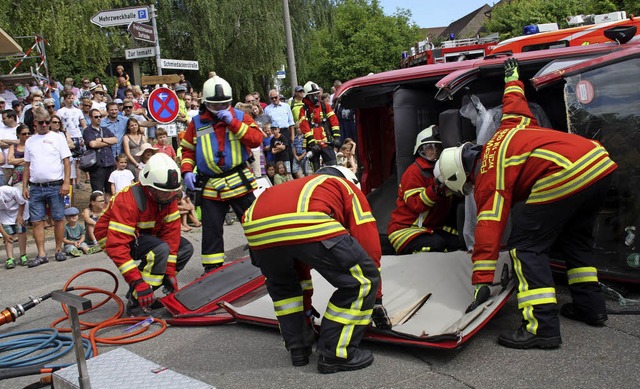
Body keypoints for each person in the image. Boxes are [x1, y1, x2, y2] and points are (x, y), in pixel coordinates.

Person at [434, 58, 618, 349]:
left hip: (565, 172)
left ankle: (541, 327)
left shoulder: (486, 172)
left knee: (526, 246)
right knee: (575, 241)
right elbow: (515, 104)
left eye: (462, 186)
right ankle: (591, 308)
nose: (469, 189)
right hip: (598, 162)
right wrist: (512, 78)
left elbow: (489, 226)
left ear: (459, 174)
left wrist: (482, 279)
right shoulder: (507, 129)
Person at [241, 166, 380, 373]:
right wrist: (376, 298)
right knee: (362, 280)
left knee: (286, 288)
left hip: (256, 228)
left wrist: (305, 309)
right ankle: (336, 354)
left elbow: (300, 265)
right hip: (306, 222)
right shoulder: (344, 186)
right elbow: (366, 238)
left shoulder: (295, 187)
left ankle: (298, 349)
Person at [180, 74, 263, 274]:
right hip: (211, 184)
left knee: (255, 222)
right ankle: (212, 268)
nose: (220, 109)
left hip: (239, 180)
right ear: (206, 103)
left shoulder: (242, 117)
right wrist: (187, 171)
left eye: (224, 104)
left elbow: (256, 140)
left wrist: (233, 123)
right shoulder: (197, 123)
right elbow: (188, 150)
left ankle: (263, 258)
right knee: (211, 229)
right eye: (215, 105)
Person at [94, 153, 194, 316]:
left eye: (171, 193)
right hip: (113, 237)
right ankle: (136, 303)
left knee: (185, 249)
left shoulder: (167, 197)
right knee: (160, 250)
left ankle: (145, 293)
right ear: (148, 186)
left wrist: (169, 271)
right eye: (162, 193)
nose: (168, 197)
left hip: (144, 233)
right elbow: (117, 245)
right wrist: (137, 281)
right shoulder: (128, 200)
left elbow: (172, 235)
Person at [387, 126, 460, 255]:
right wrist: (436, 188)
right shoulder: (414, 172)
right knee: (435, 246)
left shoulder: (442, 170)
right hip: (406, 230)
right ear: (421, 150)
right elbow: (416, 204)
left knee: (459, 242)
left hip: (431, 227)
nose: (435, 151)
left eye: (438, 147)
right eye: (430, 147)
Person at [23, 107, 72, 266]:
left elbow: (66, 161)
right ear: (35, 123)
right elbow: (27, 165)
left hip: (55, 185)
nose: (45, 125)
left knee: (58, 218)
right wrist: (24, 186)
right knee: (37, 221)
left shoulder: (58, 138)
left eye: (47, 122)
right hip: (35, 186)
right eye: (41, 122)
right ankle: (41, 254)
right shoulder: (30, 141)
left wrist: (66, 182)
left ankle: (58, 250)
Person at [299, 81, 340, 171]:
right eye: (312, 95)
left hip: (326, 141)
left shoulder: (325, 106)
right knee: (316, 171)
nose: (315, 97)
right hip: (313, 145)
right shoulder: (304, 110)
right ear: (307, 96)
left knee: (333, 166)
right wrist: (312, 143)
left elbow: (334, 120)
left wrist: (336, 137)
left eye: (317, 94)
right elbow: (304, 126)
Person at [83, 109, 117, 203]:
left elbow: (115, 140)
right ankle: (98, 213)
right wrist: (107, 143)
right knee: (97, 192)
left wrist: (101, 140)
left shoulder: (105, 129)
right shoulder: (87, 131)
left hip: (109, 163)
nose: (98, 118)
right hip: (96, 166)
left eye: (100, 116)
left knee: (109, 190)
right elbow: (93, 144)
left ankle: (107, 212)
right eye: (96, 117)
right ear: (90, 118)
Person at [0, 185, 29, 268]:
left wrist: (19, 216)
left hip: (19, 209)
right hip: (4, 213)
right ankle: (10, 258)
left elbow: (22, 203)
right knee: (8, 233)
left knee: (21, 230)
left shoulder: (9, 191)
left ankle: (23, 255)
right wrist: (4, 235)